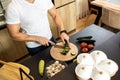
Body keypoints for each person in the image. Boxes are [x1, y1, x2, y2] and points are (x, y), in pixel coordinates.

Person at [5, 0, 69, 56]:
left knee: (61, 59)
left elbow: (55, 15)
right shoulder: (13, 7)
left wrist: (62, 31)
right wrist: (37, 38)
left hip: (50, 39)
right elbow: (14, 34)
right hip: (34, 46)